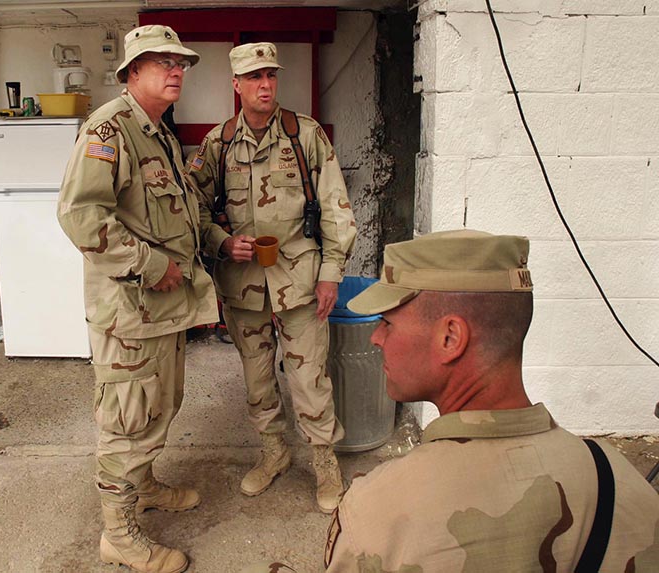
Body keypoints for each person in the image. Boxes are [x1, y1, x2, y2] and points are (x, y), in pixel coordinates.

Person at [324, 229, 659, 572]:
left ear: (450, 338)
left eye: (387, 322)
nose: (377, 338)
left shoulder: (377, 514)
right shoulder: (617, 481)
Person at [57, 25, 218, 573]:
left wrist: (217, 244)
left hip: (163, 310)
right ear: (132, 71)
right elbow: (81, 216)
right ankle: (119, 535)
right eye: (162, 62)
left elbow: (187, 214)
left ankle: (144, 486)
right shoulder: (110, 129)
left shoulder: (158, 133)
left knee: (158, 408)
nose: (176, 70)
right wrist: (152, 265)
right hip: (130, 312)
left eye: (181, 63)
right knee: (127, 423)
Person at [186, 42, 357, 513]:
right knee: (258, 379)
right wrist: (221, 241)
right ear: (236, 85)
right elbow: (191, 209)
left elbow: (338, 208)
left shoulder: (305, 136)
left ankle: (324, 461)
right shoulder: (218, 144)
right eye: (255, 77)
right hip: (243, 286)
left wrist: (330, 274)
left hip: (300, 282)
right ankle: (274, 453)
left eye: (271, 76)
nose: (265, 85)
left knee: (309, 379)